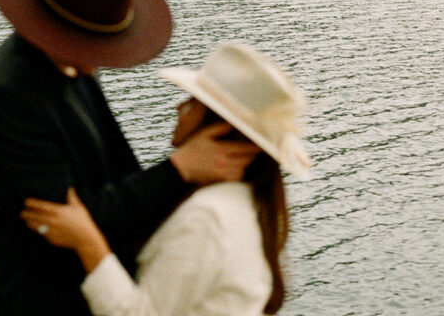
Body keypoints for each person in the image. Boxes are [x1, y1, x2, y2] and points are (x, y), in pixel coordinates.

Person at [0, 0, 258, 316]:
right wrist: (180, 169)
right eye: (90, 46)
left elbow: (115, 175)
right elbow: (69, 224)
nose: (97, 62)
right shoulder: (7, 99)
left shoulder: (68, 59)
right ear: (53, 27)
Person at [21, 41, 312, 316]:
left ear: (220, 129)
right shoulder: (245, 203)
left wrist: (88, 243)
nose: (178, 107)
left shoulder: (208, 217)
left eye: (193, 101)